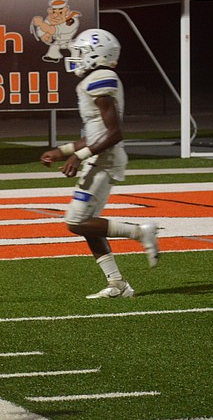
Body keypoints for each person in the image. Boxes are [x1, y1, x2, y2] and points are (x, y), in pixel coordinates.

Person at [40, 28, 159, 299]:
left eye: (80, 52)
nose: (76, 57)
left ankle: (140, 232)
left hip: (104, 159)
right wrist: (63, 150)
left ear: (96, 54)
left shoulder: (101, 79)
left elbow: (114, 133)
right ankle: (117, 284)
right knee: (86, 222)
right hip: (98, 156)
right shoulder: (96, 79)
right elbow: (96, 133)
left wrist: (78, 156)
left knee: (76, 222)